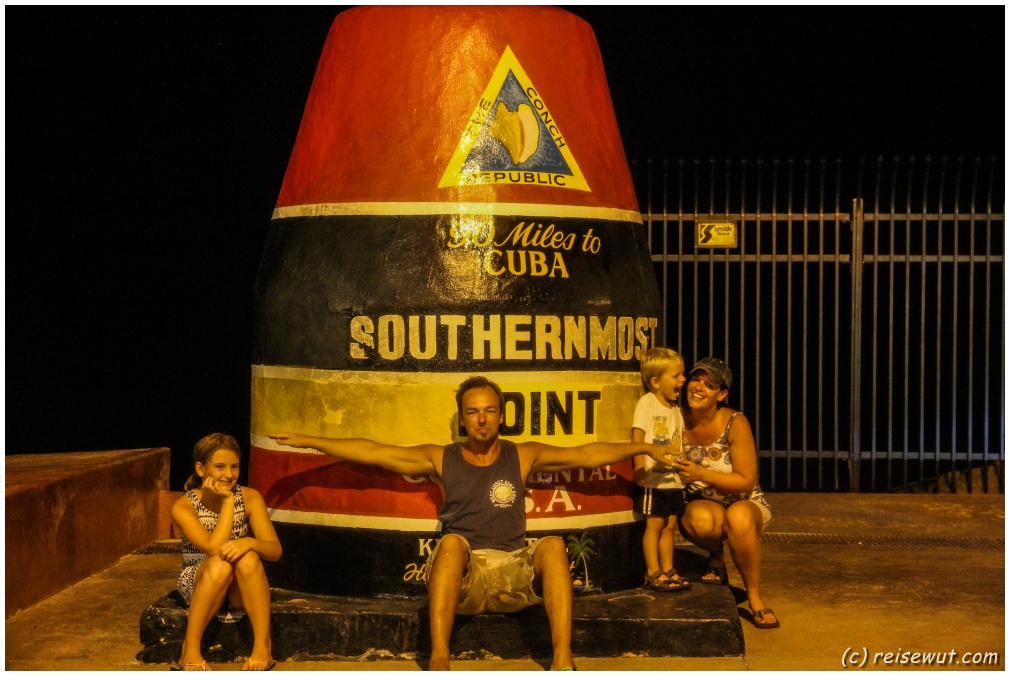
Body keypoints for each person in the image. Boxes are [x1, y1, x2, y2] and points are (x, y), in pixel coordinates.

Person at [269, 375, 676, 671]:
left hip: (514, 570)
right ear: (462, 419)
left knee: (552, 543)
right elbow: (374, 451)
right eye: (472, 413)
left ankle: (562, 657)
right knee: (449, 544)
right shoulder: (440, 457)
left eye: (489, 411)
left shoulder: (523, 454)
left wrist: (644, 445)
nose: (481, 420)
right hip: (466, 574)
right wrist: (312, 439)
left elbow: (588, 453)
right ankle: (441, 658)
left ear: (500, 416)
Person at [672, 358, 779, 629]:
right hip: (704, 504)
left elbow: (746, 481)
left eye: (709, 385)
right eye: (695, 380)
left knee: (739, 518)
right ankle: (716, 557)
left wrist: (701, 474)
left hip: (744, 501)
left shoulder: (735, 421)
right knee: (697, 520)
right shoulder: (674, 417)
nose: (699, 388)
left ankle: (754, 596)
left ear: (721, 394)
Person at [170, 433, 283, 671]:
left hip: (238, 585)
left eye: (235, 467)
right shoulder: (183, 506)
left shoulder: (251, 497)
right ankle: (189, 649)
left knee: (249, 556)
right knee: (220, 564)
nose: (229, 474)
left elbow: (275, 551)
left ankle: (263, 646)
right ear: (201, 469)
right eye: (220, 467)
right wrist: (228, 503)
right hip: (201, 580)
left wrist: (249, 542)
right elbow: (213, 548)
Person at [631, 347, 691, 592]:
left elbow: (680, 440)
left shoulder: (676, 409)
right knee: (654, 525)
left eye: (682, 375)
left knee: (669, 526)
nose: (682, 380)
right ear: (655, 381)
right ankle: (653, 570)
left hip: (672, 480)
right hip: (653, 481)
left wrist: (684, 467)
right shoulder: (647, 403)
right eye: (676, 376)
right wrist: (638, 467)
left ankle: (668, 567)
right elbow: (638, 435)